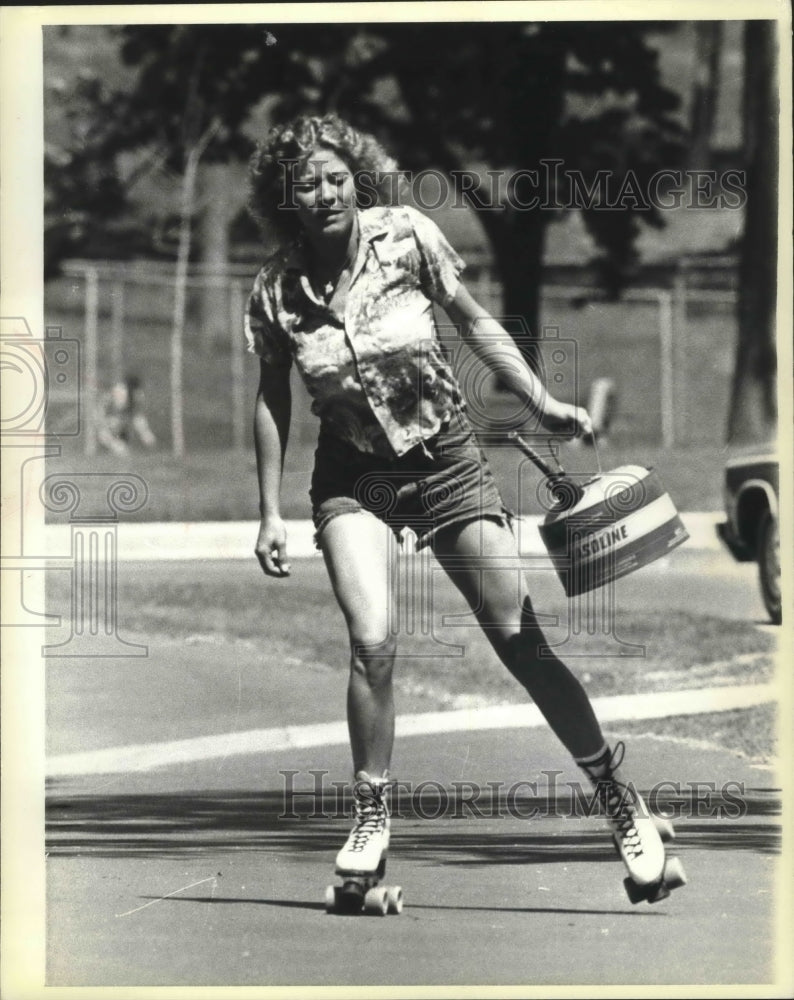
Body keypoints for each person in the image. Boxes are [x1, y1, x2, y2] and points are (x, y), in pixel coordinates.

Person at [245, 114, 681, 906]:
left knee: (521, 640)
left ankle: (620, 801)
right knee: (372, 641)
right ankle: (371, 815)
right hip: (353, 480)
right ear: (286, 198)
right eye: (306, 183)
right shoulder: (278, 288)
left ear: (359, 180)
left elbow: (475, 321)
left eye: (336, 177)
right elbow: (272, 396)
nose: (325, 192)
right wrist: (269, 511)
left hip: (445, 462)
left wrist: (541, 399)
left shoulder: (406, 237)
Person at [96, 375, 157, 456]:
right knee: (106, 433)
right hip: (109, 423)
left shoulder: (132, 399)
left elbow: (137, 416)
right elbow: (100, 417)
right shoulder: (112, 399)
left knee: (137, 422)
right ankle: (117, 446)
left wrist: (145, 433)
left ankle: (120, 445)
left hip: (121, 422)